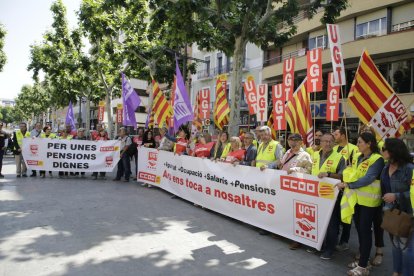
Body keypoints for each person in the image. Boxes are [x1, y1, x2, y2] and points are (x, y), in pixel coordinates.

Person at [338, 132, 384, 276]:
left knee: (365, 231)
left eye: (360, 142)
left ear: (369, 143)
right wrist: (349, 170)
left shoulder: (378, 159)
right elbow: (357, 175)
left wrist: (348, 184)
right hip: (357, 200)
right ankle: (363, 260)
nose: (357, 145)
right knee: (360, 230)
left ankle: (363, 266)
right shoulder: (358, 157)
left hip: (370, 202)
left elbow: (369, 178)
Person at [380, 138, 414, 276]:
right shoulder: (385, 167)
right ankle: (396, 272)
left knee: (406, 248)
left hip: (407, 214)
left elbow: (412, 192)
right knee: (395, 244)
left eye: (384, 148)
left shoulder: (409, 169)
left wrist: (396, 196)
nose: (381, 151)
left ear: (393, 151)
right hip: (390, 213)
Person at [310, 133, 346, 260]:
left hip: (331, 196)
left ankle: (330, 249)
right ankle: (320, 245)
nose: (328, 143)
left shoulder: (339, 158)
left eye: (330, 141)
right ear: (320, 142)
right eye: (325, 141)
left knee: (332, 223)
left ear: (334, 143)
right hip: (315, 194)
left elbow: (343, 175)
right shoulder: (315, 155)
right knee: (318, 220)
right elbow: (310, 171)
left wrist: (329, 174)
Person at [279, 133, 312, 249]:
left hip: (297, 188)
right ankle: (285, 233)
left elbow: (309, 170)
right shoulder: (287, 152)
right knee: (285, 211)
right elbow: (281, 164)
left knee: (296, 214)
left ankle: (297, 240)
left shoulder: (305, 155)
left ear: (301, 142)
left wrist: (296, 169)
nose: (293, 143)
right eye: (290, 140)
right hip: (284, 187)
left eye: (296, 141)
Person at [334, 126, 359, 252]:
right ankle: (334, 238)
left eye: (336, 134)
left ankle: (344, 241)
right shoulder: (333, 148)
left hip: (346, 186)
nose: (334, 136)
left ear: (343, 135)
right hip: (333, 185)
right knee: (335, 215)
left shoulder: (353, 149)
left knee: (346, 214)